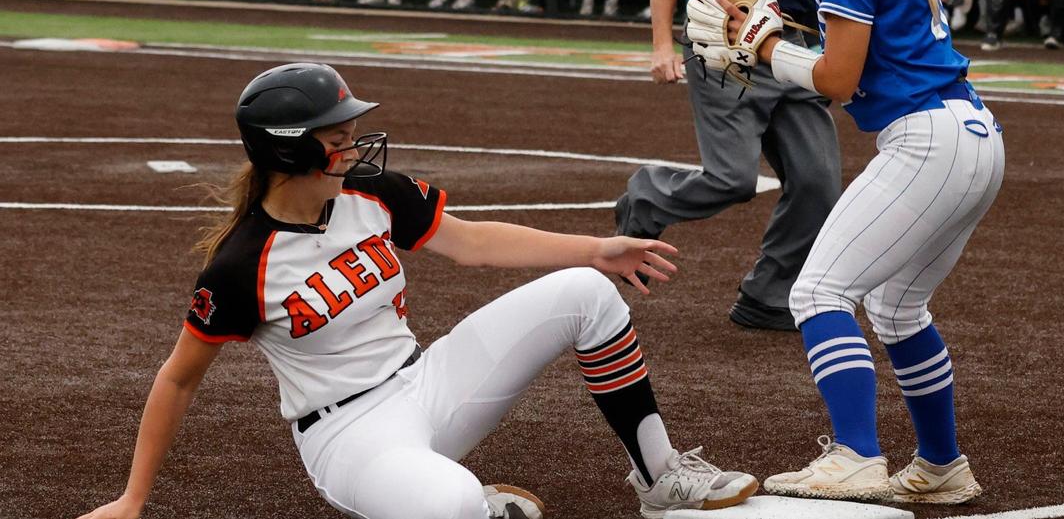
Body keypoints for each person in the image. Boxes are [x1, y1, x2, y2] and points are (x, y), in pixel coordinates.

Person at [75, 63, 759, 519]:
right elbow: (177, 379)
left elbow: (472, 241)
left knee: (588, 290)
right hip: (348, 436)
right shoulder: (241, 264)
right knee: (457, 503)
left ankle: (660, 475)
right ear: (288, 149)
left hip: (428, 383)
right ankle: (465, 502)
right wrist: (135, 497)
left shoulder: (371, 193)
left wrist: (597, 249)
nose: (354, 142)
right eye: (336, 135)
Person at [630, 0, 1005, 503]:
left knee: (819, 292)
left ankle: (856, 455)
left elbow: (835, 78)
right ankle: (942, 466)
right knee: (897, 310)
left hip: (928, 141)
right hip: (974, 134)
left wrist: (763, 44)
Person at [617, 0, 841, 332]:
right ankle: (647, 197)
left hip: (794, 49)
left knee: (818, 183)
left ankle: (767, 294)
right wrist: (661, 45)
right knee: (732, 178)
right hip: (724, 49)